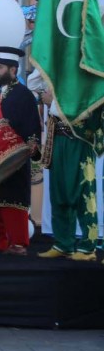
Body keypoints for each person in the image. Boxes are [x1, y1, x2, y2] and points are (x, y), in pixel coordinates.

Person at [30, 77, 102, 261]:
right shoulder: (59, 72)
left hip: (78, 141)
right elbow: (33, 83)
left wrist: (53, 101)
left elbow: (82, 107)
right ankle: (63, 244)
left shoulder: (87, 76)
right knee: (59, 193)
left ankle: (87, 247)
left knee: (82, 192)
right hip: (58, 139)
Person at [0, 46, 41, 256]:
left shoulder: (24, 95)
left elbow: (32, 124)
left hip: (14, 157)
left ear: (13, 70)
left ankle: (18, 244)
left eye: (0, 67)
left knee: (13, 199)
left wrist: (32, 144)